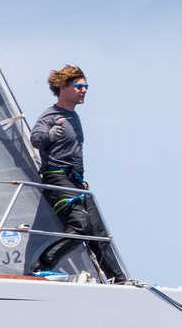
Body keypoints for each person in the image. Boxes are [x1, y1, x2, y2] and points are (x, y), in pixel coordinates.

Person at [28, 65, 126, 283]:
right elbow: (35, 139)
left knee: (97, 231)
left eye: (86, 86)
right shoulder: (51, 115)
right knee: (80, 225)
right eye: (79, 86)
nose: (84, 90)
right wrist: (50, 135)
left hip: (75, 180)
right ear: (63, 87)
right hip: (56, 176)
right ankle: (41, 267)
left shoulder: (74, 117)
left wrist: (80, 177)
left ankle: (119, 280)